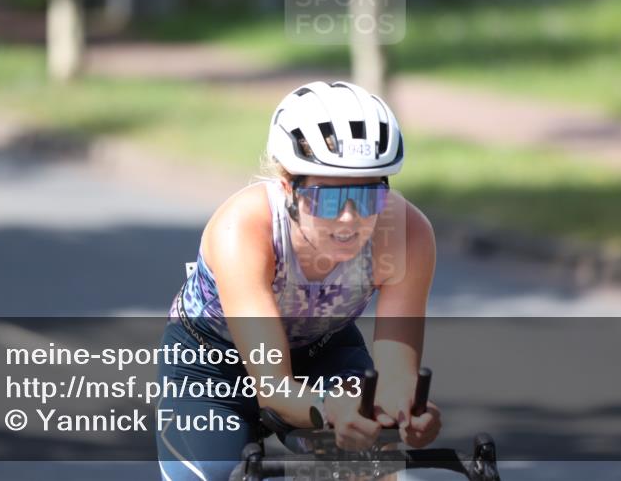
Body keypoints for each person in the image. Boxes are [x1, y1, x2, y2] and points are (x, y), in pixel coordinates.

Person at [156, 81, 441, 481]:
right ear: (288, 186)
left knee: (370, 459)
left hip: (323, 350)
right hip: (211, 363)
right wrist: (329, 409)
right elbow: (273, 387)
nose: (348, 219)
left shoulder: (407, 233)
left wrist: (405, 411)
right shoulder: (245, 226)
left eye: (367, 199)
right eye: (328, 199)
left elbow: (396, 378)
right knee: (213, 475)